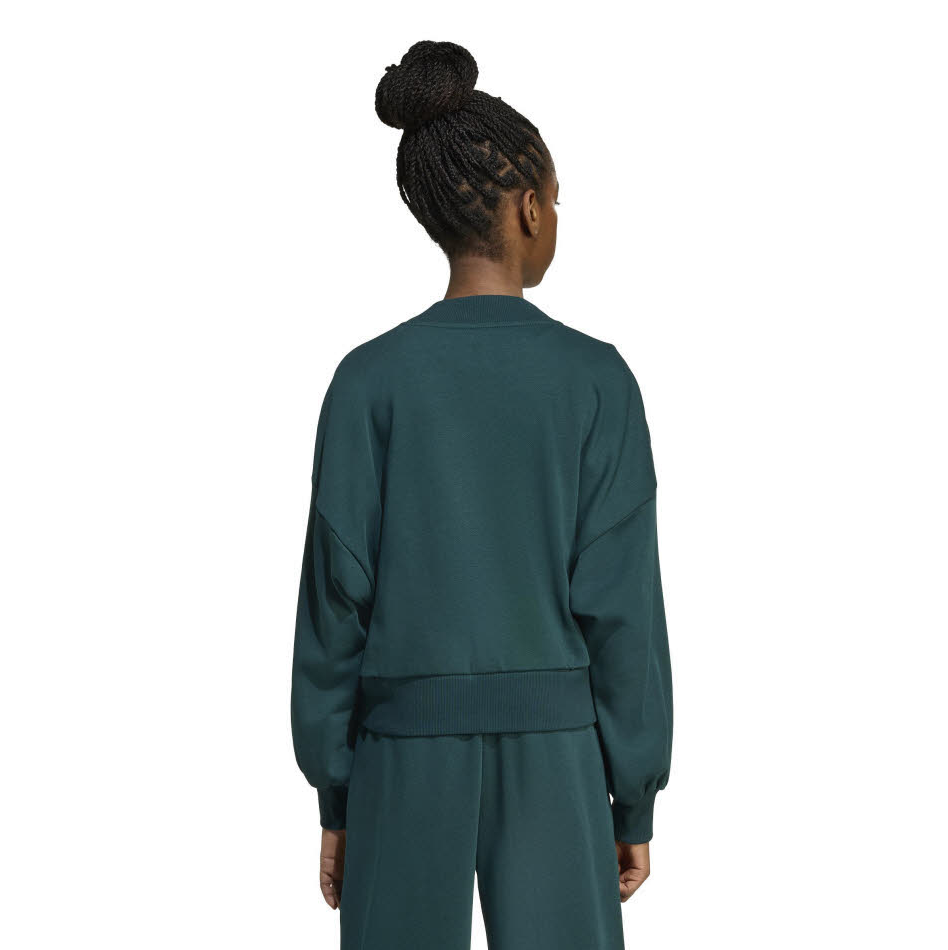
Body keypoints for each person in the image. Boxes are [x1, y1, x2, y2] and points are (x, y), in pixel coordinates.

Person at [291, 40, 673, 950]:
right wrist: (633, 798)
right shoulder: (597, 382)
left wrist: (337, 794)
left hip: (398, 753)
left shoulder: (367, 382)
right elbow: (623, 609)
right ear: (531, 206)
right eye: (558, 200)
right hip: (558, 755)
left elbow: (333, 609)